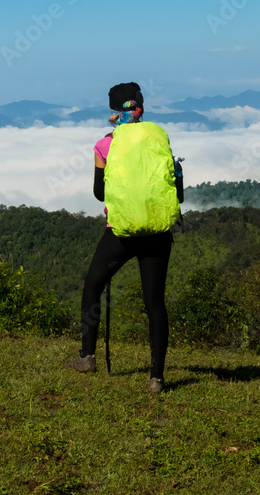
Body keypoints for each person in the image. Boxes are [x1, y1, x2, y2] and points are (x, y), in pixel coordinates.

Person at [66, 82, 183, 394]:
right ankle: (156, 378)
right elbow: (178, 193)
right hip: (158, 232)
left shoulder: (105, 145)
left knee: (93, 285)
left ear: (113, 114)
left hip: (120, 233)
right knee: (155, 303)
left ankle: (87, 357)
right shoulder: (160, 140)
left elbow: (100, 194)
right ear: (141, 110)